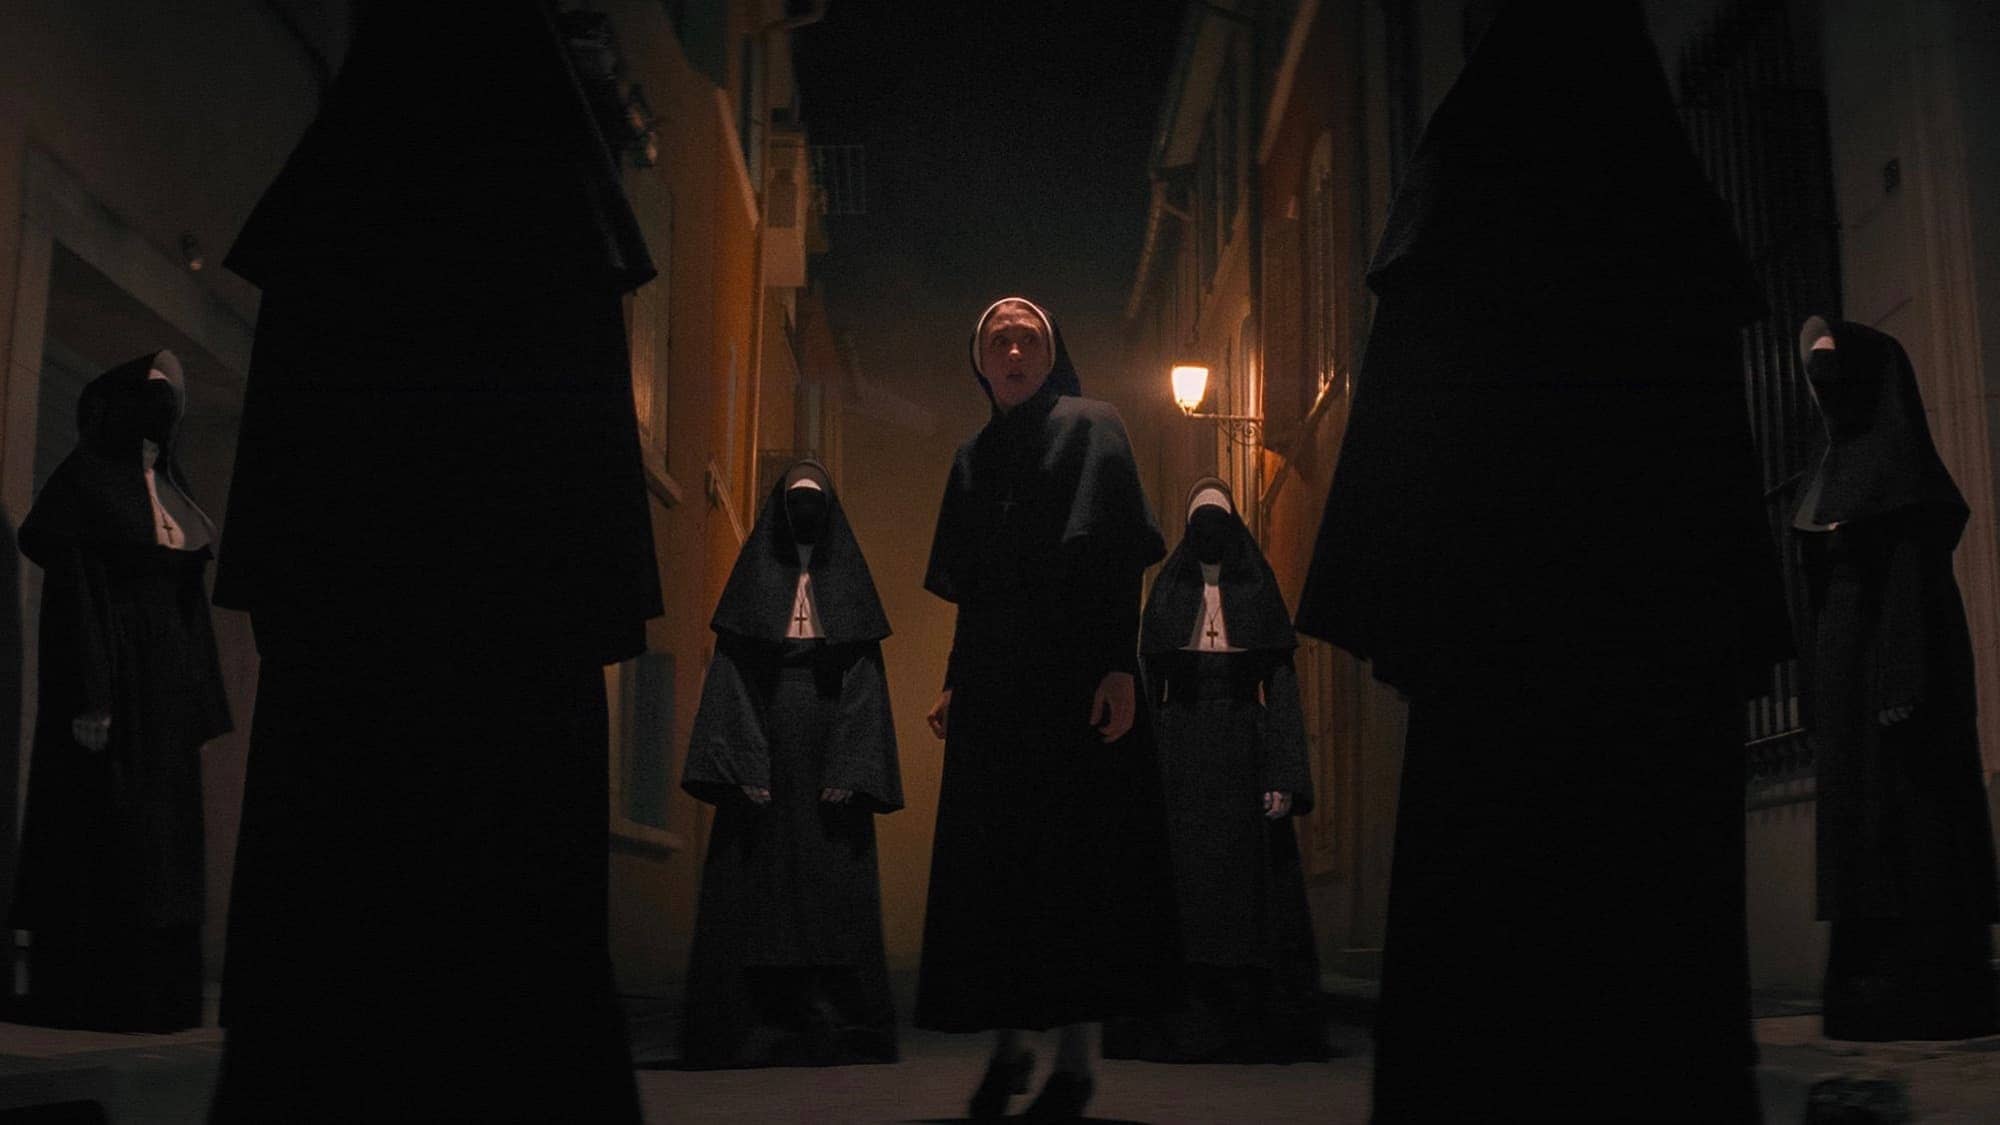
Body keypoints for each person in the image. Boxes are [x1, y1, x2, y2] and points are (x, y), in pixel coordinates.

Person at [1290, 2, 1791, 1119]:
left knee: (1495, 972)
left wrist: (1418, 615)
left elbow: (1406, 447)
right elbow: (1713, 474)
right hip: (1651, 667)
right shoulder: (1657, 220)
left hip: (1499, 662)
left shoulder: (1467, 204)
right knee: (1650, 976)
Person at [207, 2, 659, 1119]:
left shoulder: (348, 216)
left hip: (362, 658)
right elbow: (595, 489)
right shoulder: (551, 231)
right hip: (504, 659)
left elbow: (281, 468)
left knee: (341, 943)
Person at [917, 297, 1181, 1120]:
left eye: (1027, 337)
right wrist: (955, 678)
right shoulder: (972, 457)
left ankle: (1073, 1061)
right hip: (997, 690)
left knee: (1076, 870)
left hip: (1073, 682)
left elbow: (1116, 555)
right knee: (999, 872)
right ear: (980, 361)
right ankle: (1008, 1050)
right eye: (998, 339)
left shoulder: (1094, 425)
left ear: (1050, 350)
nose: (1013, 349)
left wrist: (1118, 666)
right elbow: (974, 592)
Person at [1791, 316, 1999, 1040]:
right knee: (1860, 822)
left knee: (1909, 814)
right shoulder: (1832, 468)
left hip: (1892, 671)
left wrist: (1902, 676)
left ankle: (1929, 986)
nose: (1822, 390)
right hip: (1848, 671)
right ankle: (1866, 987)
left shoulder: (1902, 476)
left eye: (1832, 374)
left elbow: (1913, 583)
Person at [12, 349, 230, 1033]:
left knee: (164, 842)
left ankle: (157, 996)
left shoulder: (167, 490)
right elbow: (76, 599)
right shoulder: (86, 487)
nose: (168, 408)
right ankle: (92, 992)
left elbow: (191, 613)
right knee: (108, 829)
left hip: (165, 696)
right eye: (156, 392)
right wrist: (92, 695)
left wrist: (201, 706)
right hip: (116, 679)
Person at [680, 459, 903, 1067]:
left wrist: (851, 767)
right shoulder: (754, 586)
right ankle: (751, 1028)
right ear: (780, 512)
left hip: (831, 747)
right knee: (757, 884)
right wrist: (745, 763)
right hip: (766, 742)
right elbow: (733, 678)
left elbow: (864, 684)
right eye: (796, 500)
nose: (805, 512)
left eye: (814, 501)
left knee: (832, 886)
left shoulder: (848, 588)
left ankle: (837, 1028)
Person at [1101, 477, 1326, 1064]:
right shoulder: (1170, 592)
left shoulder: (1256, 591)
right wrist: (1139, 772)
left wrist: (1283, 772)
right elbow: (1147, 684)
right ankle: (1184, 1019)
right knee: (1185, 886)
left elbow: (1281, 687)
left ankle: (1247, 1022)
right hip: (1180, 755)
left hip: (1244, 750)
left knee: (1246, 888)